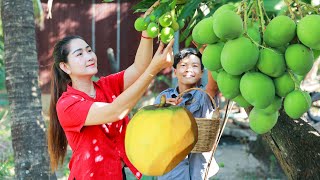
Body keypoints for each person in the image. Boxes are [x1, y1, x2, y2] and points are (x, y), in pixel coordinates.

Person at [154, 48, 219, 180]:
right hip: (172, 169)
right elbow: (153, 127)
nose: (189, 69)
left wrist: (208, 55)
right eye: (183, 65)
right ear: (175, 72)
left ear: (201, 73)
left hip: (198, 168)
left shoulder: (204, 96)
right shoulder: (164, 96)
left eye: (195, 66)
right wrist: (162, 108)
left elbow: (213, 87)